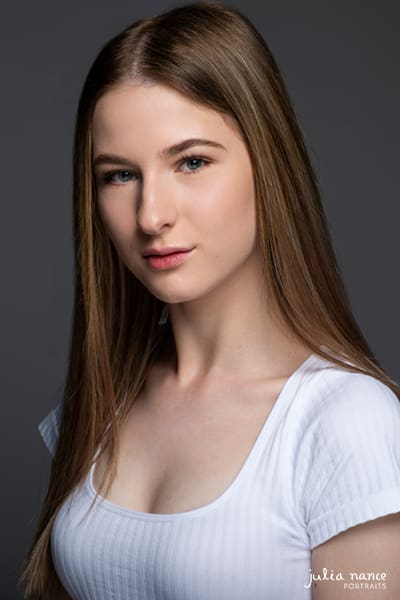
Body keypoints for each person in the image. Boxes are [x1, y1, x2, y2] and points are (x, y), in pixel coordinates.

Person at [21, 2, 400, 599]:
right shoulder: (101, 403)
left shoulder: (345, 424)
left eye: (191, 162)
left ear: (268, 165)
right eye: (119, 175)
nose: (151, 216)